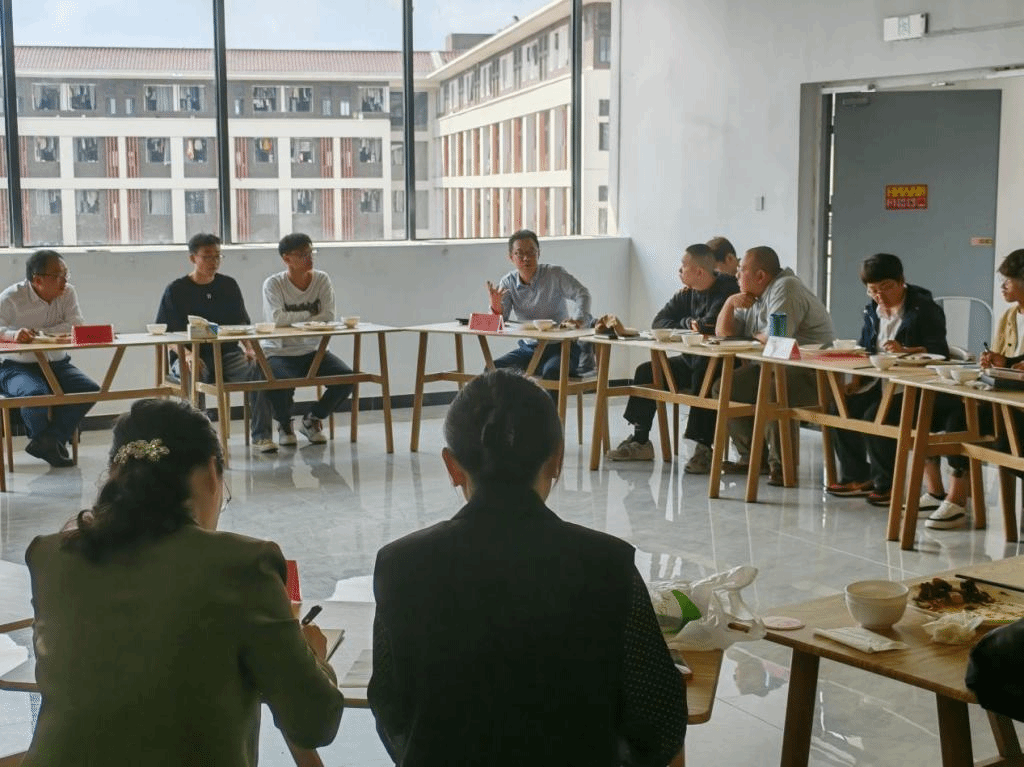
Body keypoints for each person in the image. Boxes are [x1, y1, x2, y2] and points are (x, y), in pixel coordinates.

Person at [368, 369, 686, 766]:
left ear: (452, 466)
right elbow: (659, 726)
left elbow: (390, 710)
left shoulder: (400, 564)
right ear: (556, 460)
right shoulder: (607, 562)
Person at [21, 398, 343, 766]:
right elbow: (314, 724)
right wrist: (315, 657)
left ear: (114, 474)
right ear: (211, 474)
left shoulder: (50, 557)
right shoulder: (241, 563)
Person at [825, 253, 949, 508]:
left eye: (886, 287)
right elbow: (867, 347)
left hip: (911, 388)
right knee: (840, 408)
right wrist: (856, 382)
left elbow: (941, 351)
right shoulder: (872, 310)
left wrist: (906, 350)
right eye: (873, 290)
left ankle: (887, 484)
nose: (880, 296)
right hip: (878, 381)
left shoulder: (924, 308)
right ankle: (857, 476)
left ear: (901, 281)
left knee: (876, 416)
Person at [606, 244, 739, 470]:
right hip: (691, 359)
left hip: (721, 363)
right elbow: (659, 322)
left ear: (699, 272)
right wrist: (688, 323)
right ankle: (640, 441)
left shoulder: (726, 288)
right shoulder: (687, 293)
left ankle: (704, 449)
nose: (679, 270)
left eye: (684, 266)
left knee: (704, 376)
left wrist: (690, 324)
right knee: (646, 371)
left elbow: (709, 325)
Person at [715, 246, 834, 484]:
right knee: (727, 386)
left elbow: (777, 337)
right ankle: (751, 458)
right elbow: (724, 333)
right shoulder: (752, 296)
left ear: (760, 276)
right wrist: (729, 304)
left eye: (742, 270)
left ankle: (780, 466)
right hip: (773, 367)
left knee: (773, 391)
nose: (737, 275)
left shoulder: (786, 288)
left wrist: (754, 335)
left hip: (812, 373)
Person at [927, 249, 1024, 530]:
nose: (1002, 287)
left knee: (1005, 442)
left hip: (1016, 405)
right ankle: (955, 499)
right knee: (957, 419)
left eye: (1008, 281)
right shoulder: (1010, 316)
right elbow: (1005, 360)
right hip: (1004, 399)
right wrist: (996, 361)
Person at [155, 232, 277, 454]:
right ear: (193, 258)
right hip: (190, 354)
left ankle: (262, 436)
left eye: (218, 256)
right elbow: (167, 334)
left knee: (260, 369)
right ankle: (200, 439)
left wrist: (250, 349)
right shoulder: (176, 289)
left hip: (227, 354)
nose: (214, 262)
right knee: (193, 372)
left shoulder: (228, 285)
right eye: (207, 257)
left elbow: (242, 324)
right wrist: (188, 355)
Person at [0, 250, 99, 467]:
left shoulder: (68, 292)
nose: (64, 281)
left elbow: (76, 325)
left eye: (66, 274)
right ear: (37, 280)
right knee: (36, 395)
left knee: (90, 389)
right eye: (58, 276)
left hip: (57, 363)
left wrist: (39, 333)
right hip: (17, 366)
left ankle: (48, 441)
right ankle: (47, 442)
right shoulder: (11, 297)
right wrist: (13, 335)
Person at [262, 233, 354, 445]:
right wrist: (311, 314)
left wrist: (295, 319)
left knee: (347, 379)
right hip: (280, 352)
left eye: (311, 252)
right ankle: (284, 424)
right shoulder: (274, 284)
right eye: (303, 254)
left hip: (314, 351)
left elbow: (328, 316)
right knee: (278, 382)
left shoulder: (321, 279)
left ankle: (312, 419)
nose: (310, 258)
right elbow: (277, 319)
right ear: (287, 258)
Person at [487, 229, 592, 381]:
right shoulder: (508, 282)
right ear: (511, 257)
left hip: (561, 347)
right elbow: (498, 323)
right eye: (519, 253)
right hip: (529, 349)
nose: (526, 258)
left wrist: (578, 320)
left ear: (539, 253)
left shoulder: (554, 274)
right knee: (492, 369)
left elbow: (582, 293)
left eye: (531, 252)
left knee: (552, 373)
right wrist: (495, 307)